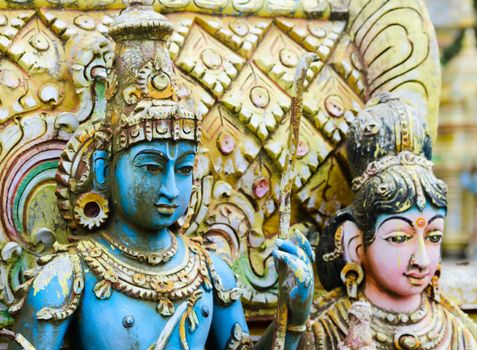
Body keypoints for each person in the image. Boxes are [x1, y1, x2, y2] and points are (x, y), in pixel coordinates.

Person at [8, 2, 313, 349]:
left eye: (183, 169)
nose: (170, 188)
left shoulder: (212, 274)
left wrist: (294, 314)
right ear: (104, 170)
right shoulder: (65, 278)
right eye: (151, 168)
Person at [306, 94, 477, 349]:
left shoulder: (456, 334)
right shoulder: (325, 331)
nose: (422, 260)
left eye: (434, 237)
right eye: (399, 238)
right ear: (355, 244)